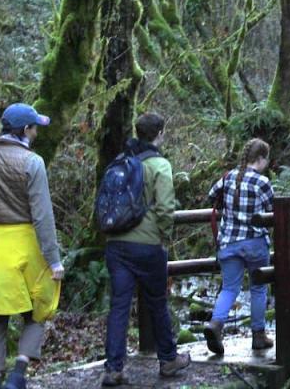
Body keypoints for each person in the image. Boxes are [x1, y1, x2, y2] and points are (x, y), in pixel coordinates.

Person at [0, 103, 64, 389]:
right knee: (39, 311)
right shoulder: (33, 163)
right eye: (34, 128)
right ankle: (18, 374)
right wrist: (54, 260)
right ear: (26, 130)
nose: (36, 132)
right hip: (25, 246)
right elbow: (43, 215)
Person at [102, 113, 190, 387]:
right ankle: (168, 360)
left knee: (119, 306)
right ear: (160, 134)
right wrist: (164, 236)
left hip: (116, 244)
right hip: (148, 245)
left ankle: (113, 368)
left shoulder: (121, 161)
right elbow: (165, 208)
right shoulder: (159, 165)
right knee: (157, 302)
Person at [204, 138, 274, 355]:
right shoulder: (262, 182)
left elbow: (210, 196)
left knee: (229, 288)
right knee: (258, 288)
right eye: (266, 160)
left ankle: (216, 325)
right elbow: (273, 210)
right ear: (261, 159)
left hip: (229, 242)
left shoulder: (228, 178)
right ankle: (258, 336)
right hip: (254, 242)